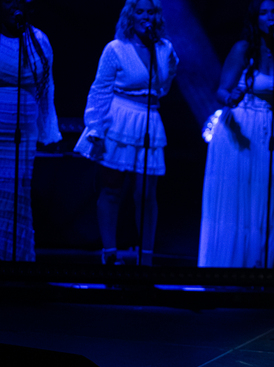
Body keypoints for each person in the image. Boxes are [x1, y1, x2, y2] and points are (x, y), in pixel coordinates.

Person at [74, 0, 178, 265]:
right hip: (119, 119)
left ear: (158, 16)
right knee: (111, 190)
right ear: (130, 16)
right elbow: (99, 89)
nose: (146, 16)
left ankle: (146, 259)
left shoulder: (164, 49)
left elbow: (166, 82)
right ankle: (109, 256)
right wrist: (95, 127)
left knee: (146, 194)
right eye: (140, 11)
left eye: (151, 11)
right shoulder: (116, 49)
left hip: (150, 119)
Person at [199, 0, 274, 268]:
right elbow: (221, 90)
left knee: (269, 197)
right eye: (264, 12)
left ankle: (257, 267)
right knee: (236, 201)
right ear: (255, 18)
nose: (270, 17)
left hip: (266, 128)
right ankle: (226, 269)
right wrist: (231, 98)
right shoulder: (242, 49)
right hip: (239, 128)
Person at [0, 0, 61, 261]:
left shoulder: (37, 40)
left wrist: (49, 131)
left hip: (24, 131)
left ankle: (17, 258)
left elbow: (46, 88)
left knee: (17, 192)